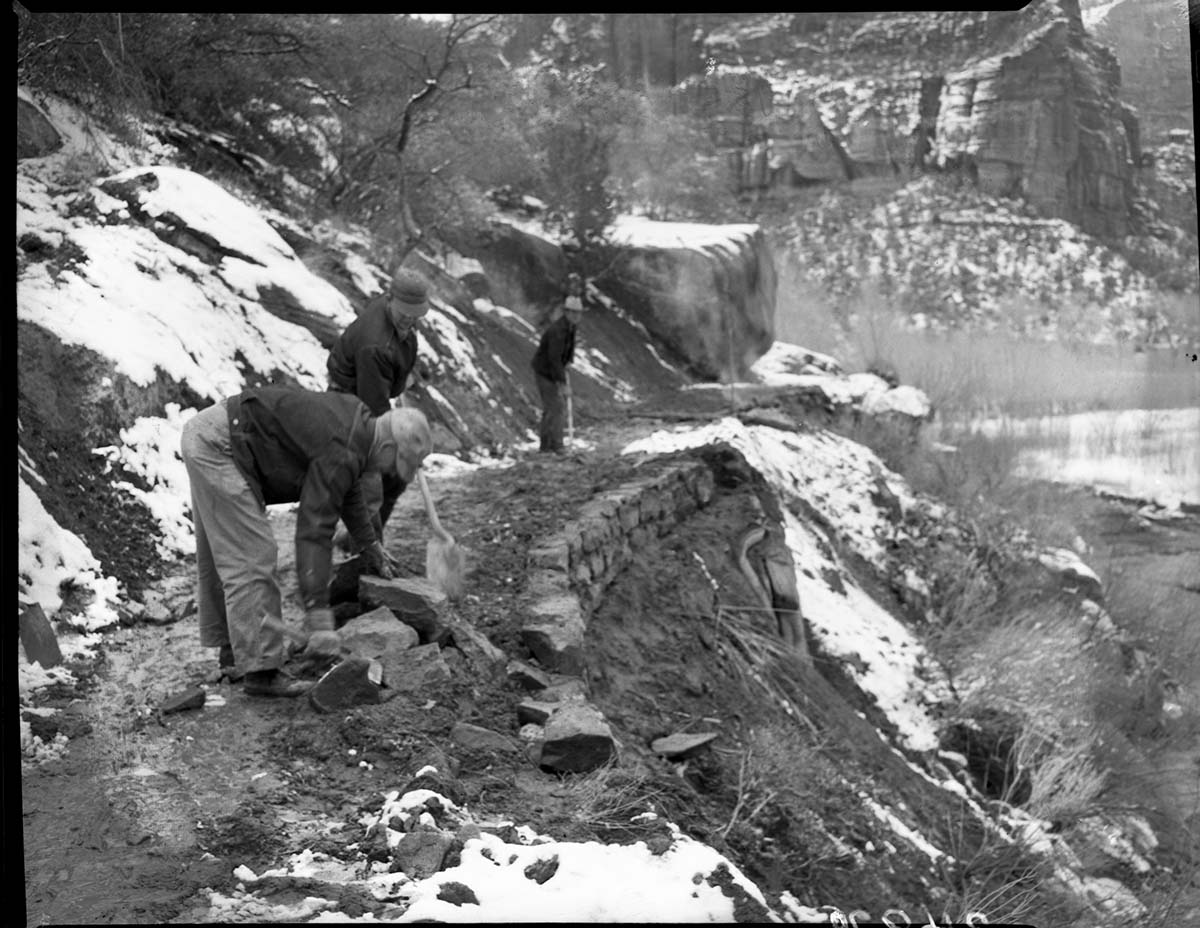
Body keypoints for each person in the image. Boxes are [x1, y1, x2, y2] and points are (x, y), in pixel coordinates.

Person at [180, 385, 432, 697]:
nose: (389, 473)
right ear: (389, 448)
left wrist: (369, 544)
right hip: (219, 446)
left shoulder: (358, 426)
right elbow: (313, 532)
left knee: (228, 550)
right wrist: (319, 617)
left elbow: (346, 487)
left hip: (217, 431)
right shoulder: (344, 446)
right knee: (251, 555)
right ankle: (261, 671)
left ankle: (235, 655)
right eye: (395, 466)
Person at [327, 266, 429, 543]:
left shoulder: (395, 317)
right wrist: (403, 443)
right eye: (404, 310)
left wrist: (401, 375)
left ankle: (358, 541)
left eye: (415, 311)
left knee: (390, 477)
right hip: (349, 404)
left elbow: (400, 350)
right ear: (391, 299)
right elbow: (375, 407)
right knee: (375, 478)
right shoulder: (375, 346)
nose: (409, 317)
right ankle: (366, 551)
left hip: (367, 393)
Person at [531, 273, 584, 454]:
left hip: (551, 369)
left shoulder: (570, 328)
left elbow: (567, 351)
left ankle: (546, 446)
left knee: (551, 409)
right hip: (545, 371)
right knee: (556, 407)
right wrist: (561, 383)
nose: (578, 317)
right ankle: (557, 445)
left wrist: (568, 362)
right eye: (575, 313)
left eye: (579, 314)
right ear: (567, 312)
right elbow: (553, 358)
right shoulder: (558, 331)